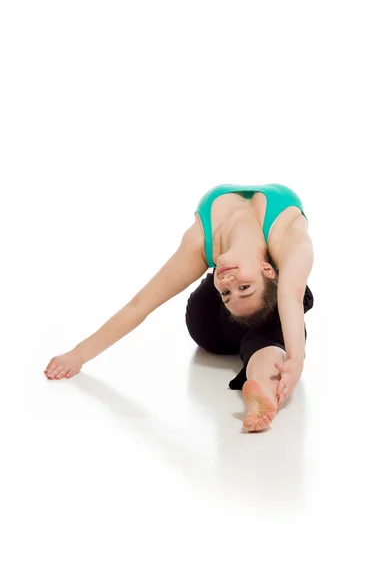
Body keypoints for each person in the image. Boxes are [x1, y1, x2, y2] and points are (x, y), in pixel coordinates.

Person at [44, 183, 314, 432]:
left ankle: (263, 392)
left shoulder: (273, 242)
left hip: (268, 311)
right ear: (266, 269)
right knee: (275, 304)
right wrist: (78, 355)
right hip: (211, 323)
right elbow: (140, 305)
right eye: (241, 288)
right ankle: (262, 344)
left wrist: (296, 359)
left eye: (227, 293)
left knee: (271, 323)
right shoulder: (212, 244)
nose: (229, 283)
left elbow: (291, 294)